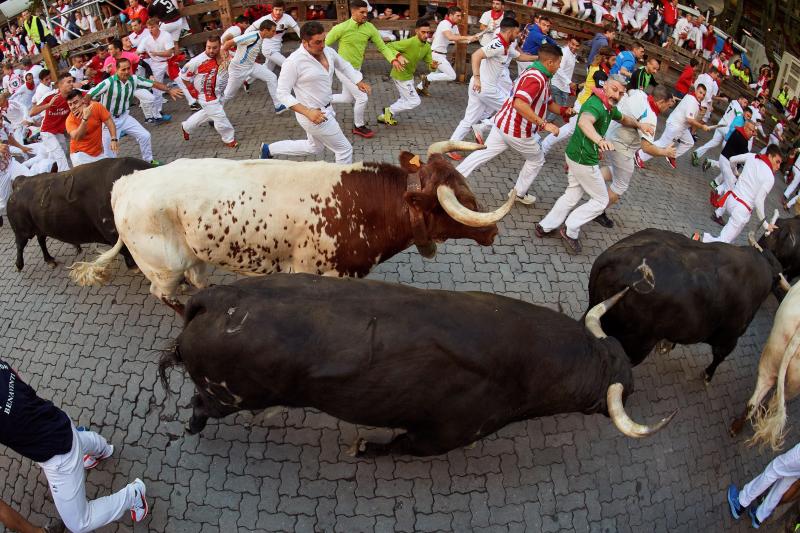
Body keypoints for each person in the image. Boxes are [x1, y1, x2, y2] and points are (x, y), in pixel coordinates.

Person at [0, 358, 148, 533]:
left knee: (79, 524)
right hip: (56, 418)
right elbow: (19, 383)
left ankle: (133, 495)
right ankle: (103, 450)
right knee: (77, 439)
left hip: (57, 456)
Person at [535, 74, 646, 254]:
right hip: (583, 160)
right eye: (614, 90)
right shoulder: (596, 105)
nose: (617, 95)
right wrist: (599, 140)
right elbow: (585, 122)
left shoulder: (609, 107)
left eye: (621, 93)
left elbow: (624, 118)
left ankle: (545, 226)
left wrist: (640, 126)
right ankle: (570, 230)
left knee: (571, 195)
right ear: (605, 87)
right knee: (601, 200)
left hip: (576, 156)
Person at [455, 44, 572, 205]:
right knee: (537, 160)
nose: (559, 66)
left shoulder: (538, 73)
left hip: (503, 124)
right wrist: (544, 124)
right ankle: (519, 193)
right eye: (559, 63)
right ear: (550, 62)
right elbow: (520, 103)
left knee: (483, 153)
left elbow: (548, 103)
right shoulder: (536, 78)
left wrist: (565, 111)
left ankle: (452, 177)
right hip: (518, 131)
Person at [261, 21, 370, 164]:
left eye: (324, 40)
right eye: (318, 42)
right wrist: (308, 112)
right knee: (344, 149)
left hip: (326, 109)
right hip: (312, 115)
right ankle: (342, 184)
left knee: (314, 148)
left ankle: (269, 150)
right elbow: (282, 93)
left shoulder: (328, 51)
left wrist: (357, 81)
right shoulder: (293, 62)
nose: (323, 45)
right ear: (305, 43)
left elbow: (344, 65)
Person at [446, 18, 536, 153]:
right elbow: (476, 55)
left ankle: (450, 148)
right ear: (510, 31)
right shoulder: (498, 44)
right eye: (517, 32)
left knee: (469, 120)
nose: (518, 35)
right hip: (485, 88)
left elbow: (520, 57)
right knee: (511, 110)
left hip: (480, 88)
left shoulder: (506, 46)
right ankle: (482, 127)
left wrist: (540, 58)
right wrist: (477, 78)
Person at [595, 85, 676, 227]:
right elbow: (646, 147)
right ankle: (596, 211)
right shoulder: (650, 117)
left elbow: (630, 91)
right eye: (667, 105)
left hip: (612, 135)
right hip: (622, 148)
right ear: (661, 102)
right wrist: (665, 152)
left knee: (618, 172)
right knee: (620, 185)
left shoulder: (640, 94)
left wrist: (670, 98)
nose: (666, 109)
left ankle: (589, 176)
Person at [325, 0, 407, 139]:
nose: (365, 15)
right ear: (353, 11)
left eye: (366, 13)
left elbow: (382, 47)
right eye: (362, 12)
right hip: (342, 68)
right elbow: (324, 45)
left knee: (346, 98)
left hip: (357, 68)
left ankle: (320, 100)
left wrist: (393, 59)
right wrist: (323, 63)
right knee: (362, 97)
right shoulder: (341, 28)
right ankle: (359, 126)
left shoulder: (370, 28)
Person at [87, 57, 181, 164]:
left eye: (128, 68)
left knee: (145, 135)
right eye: (123, 69)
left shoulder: (134, 79)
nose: (127, 72)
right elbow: (90, 95)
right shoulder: (108, 83)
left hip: (124, 116)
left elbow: (152, 83)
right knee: (110, 153)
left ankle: (149, 161)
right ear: (116, 70)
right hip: (108, 121)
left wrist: (169, 90)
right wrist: (86, 112)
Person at [699, 144, 782, 244]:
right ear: (770, 156)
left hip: (731, 199)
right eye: (777, 162)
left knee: (729, 241)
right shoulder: (770, 177)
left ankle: (704, 240)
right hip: (742, 210)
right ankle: (701, 239)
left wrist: (735, 172)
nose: (778, 166)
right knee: (723, 242)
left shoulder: (752, 156)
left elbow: (732, 159)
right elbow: (758, 201)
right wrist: (765, 224)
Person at [377, 18, 437, 126]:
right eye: (423, 32)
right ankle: (389, 111)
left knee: (404, 99)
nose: (426, 35)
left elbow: (430, 65)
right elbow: (388, 46)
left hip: (409, 75)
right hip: (400, 75)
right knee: (415, 101)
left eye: (428, 32)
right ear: (416, 31)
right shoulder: (409, 42)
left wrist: (433, 66)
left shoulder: (427, 47)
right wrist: (398, 56)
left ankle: (384, 117)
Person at [635, 84, 710, 170]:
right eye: (700, 92)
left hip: (682, 127)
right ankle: (639, 155)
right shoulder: (692, 100)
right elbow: (689, 120)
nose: (701, 96)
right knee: (663, 143)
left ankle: (672, 156)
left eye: (703, 94)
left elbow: (692, 117)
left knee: (689, 142)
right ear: (696, 90)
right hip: (675, 125)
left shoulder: (694, 99)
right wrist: (702, 126)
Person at [181, 36, 237, 148]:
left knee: (207, 114)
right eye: (208, 47)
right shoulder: (196, 61)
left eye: (214, 48)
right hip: (205, 95)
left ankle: (187, 127)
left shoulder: (225, 54)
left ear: (220, 46)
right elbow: (183, 76)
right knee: (220, 116)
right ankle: (229, 139)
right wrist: (193, 92)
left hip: (219, 93)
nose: (211, 50)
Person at [220, 20, 286, 114]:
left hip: (251, 66)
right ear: (265, 30)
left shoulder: (260, 37)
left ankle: (278, 106)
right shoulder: (251, 36)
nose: (274, 33)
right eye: (272, 31)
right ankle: (212, 114)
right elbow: (227, 44)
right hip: (238, 69)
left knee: (272, 77)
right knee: (228, 95)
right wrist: (225, 58)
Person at [416, 6, 478, 96]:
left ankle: (420, 88)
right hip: (436, 54)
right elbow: (450, 37)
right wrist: (468, 37)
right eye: (458, 16)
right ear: (450, 15)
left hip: (440, 54)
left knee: (436, 74)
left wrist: (472, 39)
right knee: (452, 76)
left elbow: (458, 39)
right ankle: (426, 78)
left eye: (460, 16)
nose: (460, 18)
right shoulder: (444, 23)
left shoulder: (454, 26)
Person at [28, 72, 73, 171]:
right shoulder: (50, 95)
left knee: (63, 153)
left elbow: (90, 93)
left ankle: (36, 169)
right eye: (69, 82)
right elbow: (32, 112)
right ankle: (67, 176)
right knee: (59, 154)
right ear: (60, 84)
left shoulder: (74, 94)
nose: (71, 84)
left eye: (72, 81)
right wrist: (48, 105)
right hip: (47, 131)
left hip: (59, 131)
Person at [136, 17, 176, 124]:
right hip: (156, 64)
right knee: (157, 89)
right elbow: (138, 51)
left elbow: (169, 53)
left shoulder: (166, 35)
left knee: (182, 79)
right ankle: (157, 113)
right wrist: (138, 55)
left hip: (169, 62)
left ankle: (194, 101)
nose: (150, 30)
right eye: (149, 28)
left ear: (158, 26)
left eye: (152, 27)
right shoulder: (146, 39)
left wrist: (156, 53)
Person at [708, 121, 757, 208]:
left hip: (724, 159)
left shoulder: (738, 132)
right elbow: (745, 156)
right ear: (745, 128)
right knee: (730, 188)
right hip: (728, 163)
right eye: (751, 131)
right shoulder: (743, 139)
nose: (752, 134)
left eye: (753, 131)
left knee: (730, 181)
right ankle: (719, 209)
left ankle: (717, 191)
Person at [65, 89, 117, 166]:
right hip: (79, 155)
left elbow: (109, 122)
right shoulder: (70, 120)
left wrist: (113, 138)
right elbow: (77, 137)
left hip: (98, 154)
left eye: (75, 102)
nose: (73, 107)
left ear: (83, 100)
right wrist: (84, 119)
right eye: (70, 104)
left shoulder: (96, 106)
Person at [693, 95, 748, 164]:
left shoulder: (734, 101)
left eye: (746, 103)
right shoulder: (739, 109)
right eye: (744, 102)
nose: (745, 105)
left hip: (721, 123)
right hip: (726, 127)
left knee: (714, 142)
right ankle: (714, 163)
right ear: (740, 99)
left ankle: (697, 153)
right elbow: (740, 117)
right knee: (728, 147)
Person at [246, 0, 301, 70]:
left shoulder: (287, 18)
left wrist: (304, 42)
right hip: (268, 49)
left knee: (266, 71)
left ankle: (247, 80)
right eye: (276, 9)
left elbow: (298, 30)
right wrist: (247, 44)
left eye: (280, 10)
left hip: (277, 48)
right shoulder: (266, 18)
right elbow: (249, 30)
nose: (278, 12)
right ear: (272, 9)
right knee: (288, 65)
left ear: (284, 10)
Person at [549, 36, 579, 118]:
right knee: (559, 108)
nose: (574, 47)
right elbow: (559, 69)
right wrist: (569, 83)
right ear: (568, 42)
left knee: (557, 107)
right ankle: (545, 124)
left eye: (577, 45)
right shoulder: (564, 53)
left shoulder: (572, 54)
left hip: (563, 86)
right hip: (558, 84)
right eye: (573, 44)